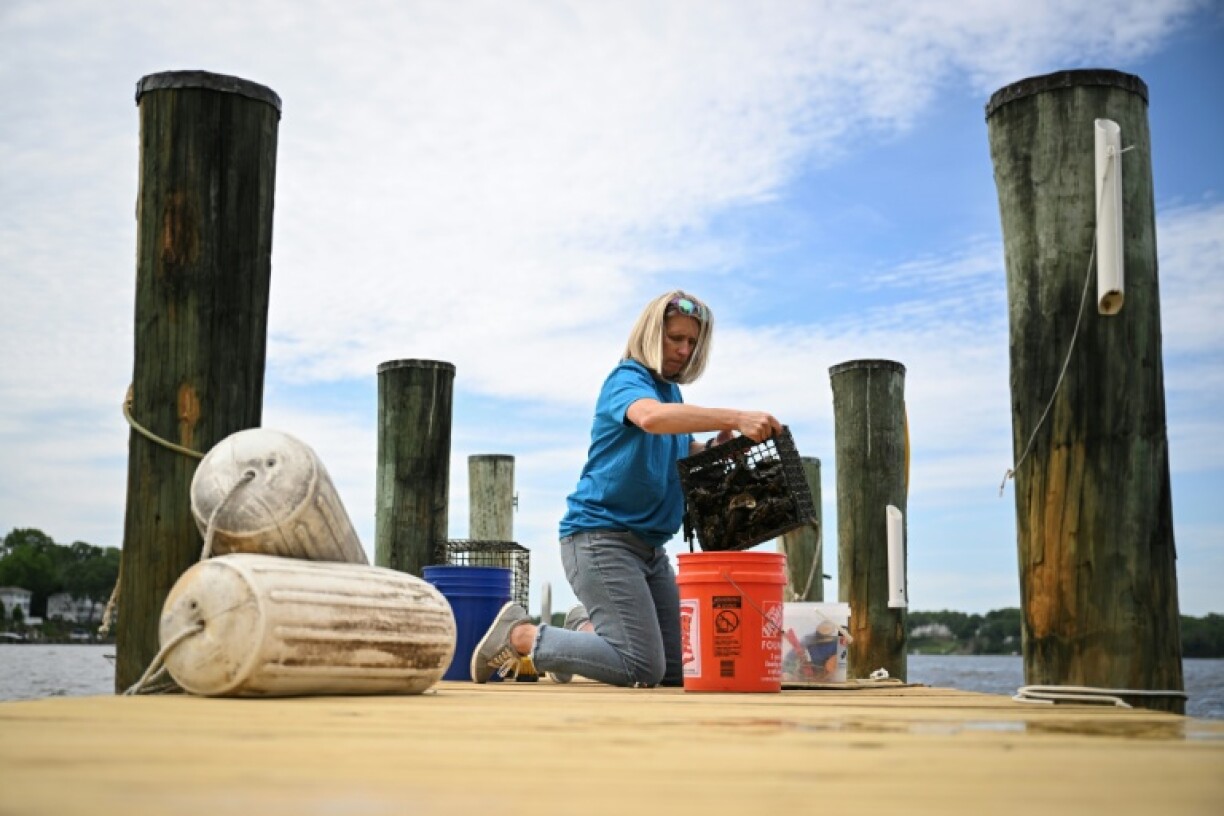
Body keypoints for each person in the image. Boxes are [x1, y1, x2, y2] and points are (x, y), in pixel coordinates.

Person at [470, 290, 782, 687]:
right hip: (600, 540)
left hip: (650, 551)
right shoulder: (627, 379)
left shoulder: (671, 393)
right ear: (652, 334)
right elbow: (650, 419)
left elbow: (678, 446)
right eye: (675, 338)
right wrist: (736, 416)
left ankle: (585, 630)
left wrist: (716, 449)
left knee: (677, 670)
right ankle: (522, 634)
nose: (684, 350)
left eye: (692, 342)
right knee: (640, 666)